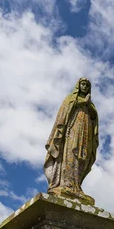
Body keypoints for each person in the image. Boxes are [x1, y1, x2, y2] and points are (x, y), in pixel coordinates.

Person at [44, 77, 99, 205]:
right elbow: (64, 112)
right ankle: (66, 184)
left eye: (87, 85)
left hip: (85, 133)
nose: (84, 87)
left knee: (83, 158)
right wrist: (81, 103)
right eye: (83, 84)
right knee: (71, 155)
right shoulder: (71, 98)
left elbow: (94, 119)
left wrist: (90, 108)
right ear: (78, 85)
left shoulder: (91, 104)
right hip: (72, 130)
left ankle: (77, 186)